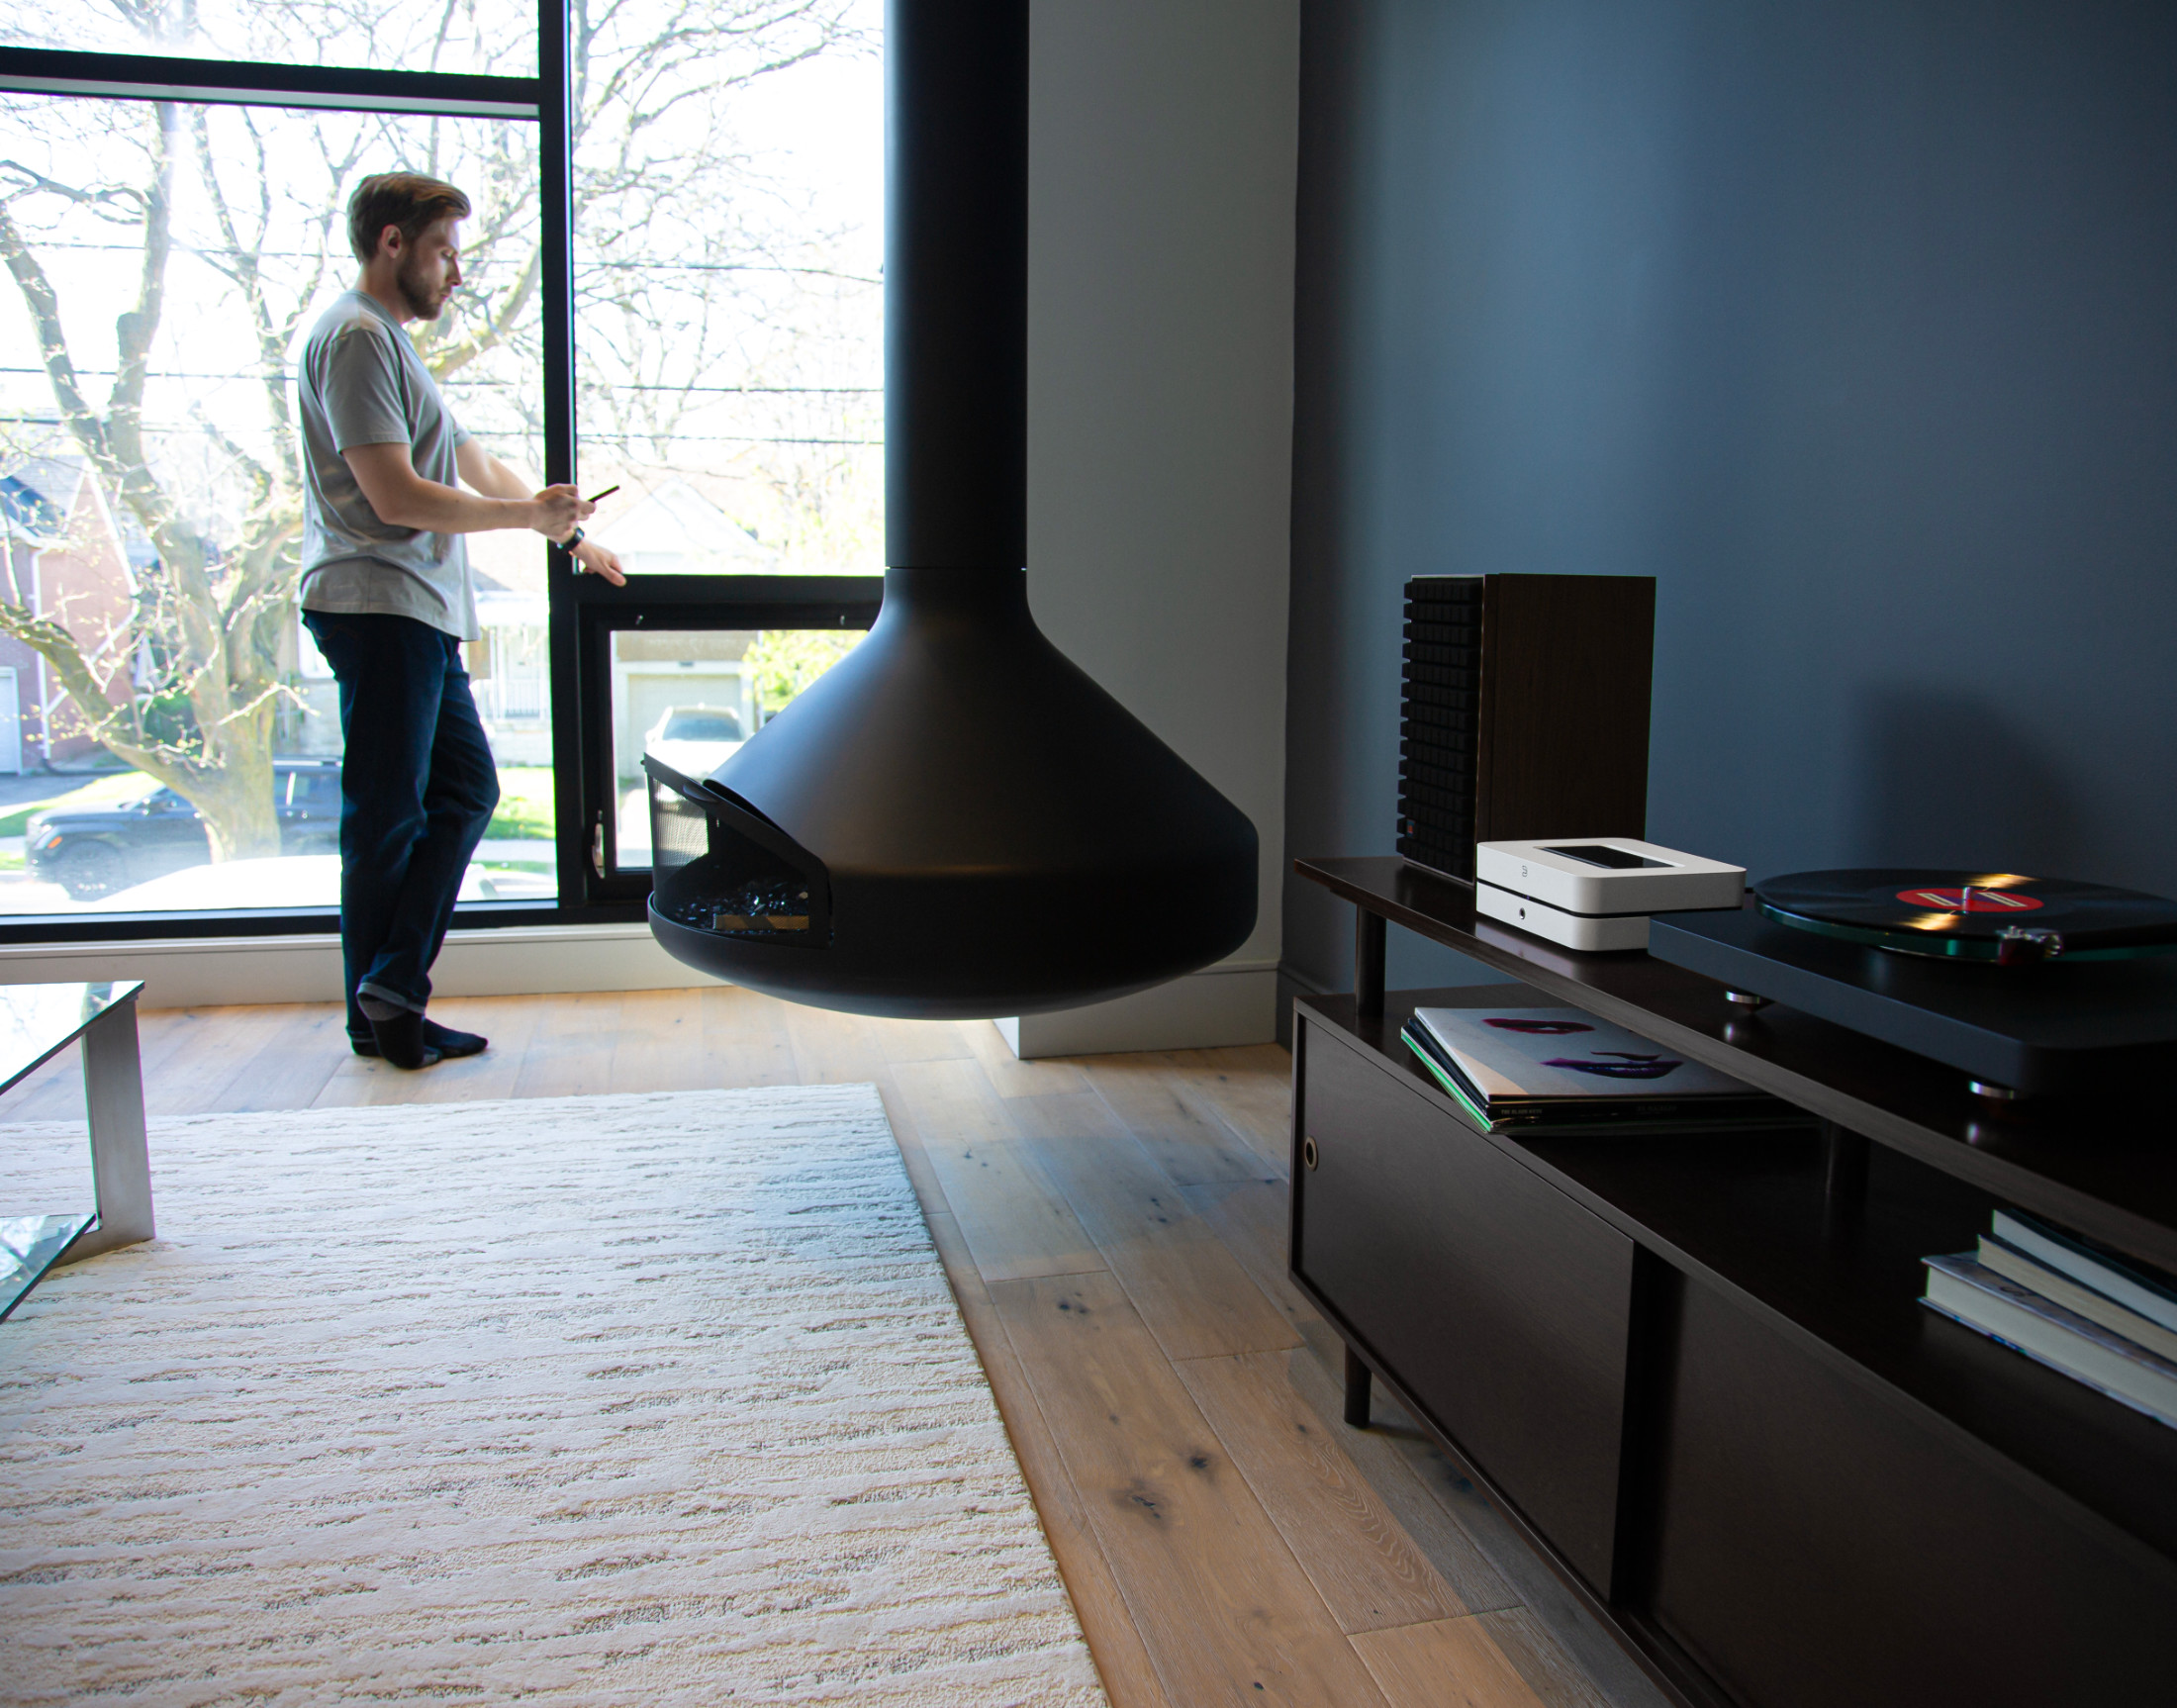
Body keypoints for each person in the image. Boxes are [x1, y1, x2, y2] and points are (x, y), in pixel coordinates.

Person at [298, 172, 625, 1069]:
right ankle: (385, 1004)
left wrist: (567, 534)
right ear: (392, 242)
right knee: (387, 820)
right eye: (444, 250)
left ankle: (391, 992)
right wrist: (528, 518)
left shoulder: (391, 347)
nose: (456, 271)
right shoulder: (357, 338)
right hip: (379, 604)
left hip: (413, 610)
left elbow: (470, 459)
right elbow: (396, 496)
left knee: (462, 793)